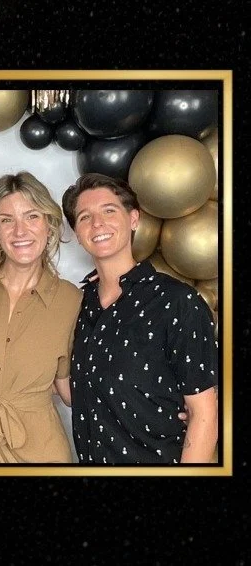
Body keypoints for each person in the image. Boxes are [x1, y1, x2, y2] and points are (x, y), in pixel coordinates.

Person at [62, 173, 219, 464]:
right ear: (77, 233)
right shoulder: (79, 305)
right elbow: (79, 394)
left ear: (134, 219)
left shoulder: (177, 301)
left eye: (109, 210)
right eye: (85, 217)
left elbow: (204, 415)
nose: (97, 224)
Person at [0, 172, 81, 463]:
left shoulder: (71, 301)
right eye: (7, 220)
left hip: (40, 456)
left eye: (32, 216)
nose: (20, 231)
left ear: (49, 224)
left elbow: (70, 390)